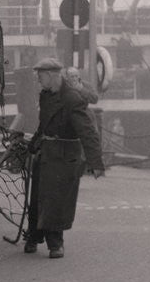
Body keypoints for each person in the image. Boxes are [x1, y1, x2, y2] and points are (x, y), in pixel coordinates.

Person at [23, 57, 104, 258]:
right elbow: (44, 126)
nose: (38, 81)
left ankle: (55, 244)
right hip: (47, 154)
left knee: (56, 202)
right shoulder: (46, 95)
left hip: (64, 158)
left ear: (51, 76)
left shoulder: (72, 99)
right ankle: (33, 236)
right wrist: (32, 145)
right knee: (37, 198)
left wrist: (96, 163)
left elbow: (87, 132)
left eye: (40, 77)